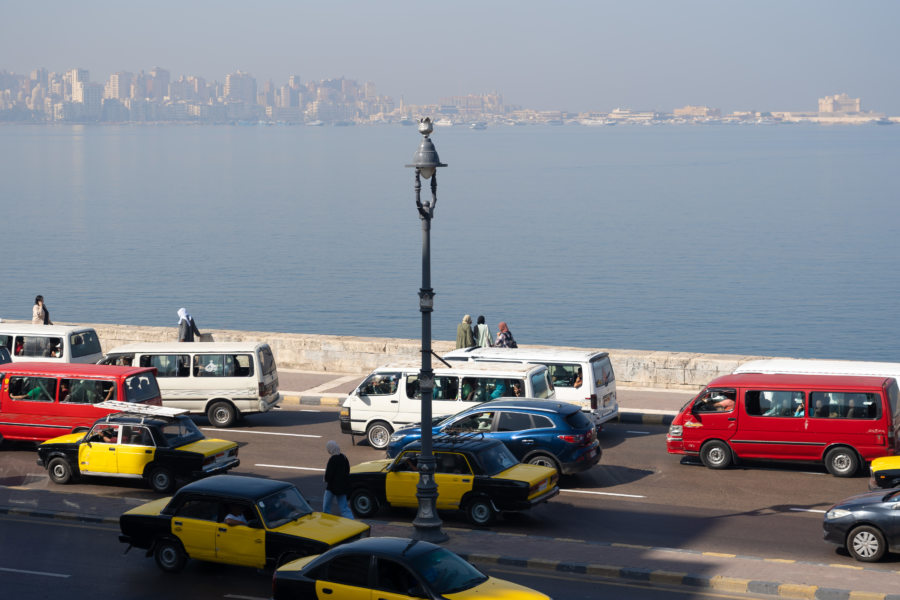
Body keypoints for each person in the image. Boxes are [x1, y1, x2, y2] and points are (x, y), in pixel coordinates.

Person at [323, 440, 353, 519]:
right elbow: (347, 470)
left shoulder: (333, 459)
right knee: (344, 508)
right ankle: (351, 521)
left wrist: (325, 479)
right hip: (342, 487)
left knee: (326, 506)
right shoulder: (343, 457)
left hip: (331, 487)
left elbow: (329, 474)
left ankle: (326, 520)